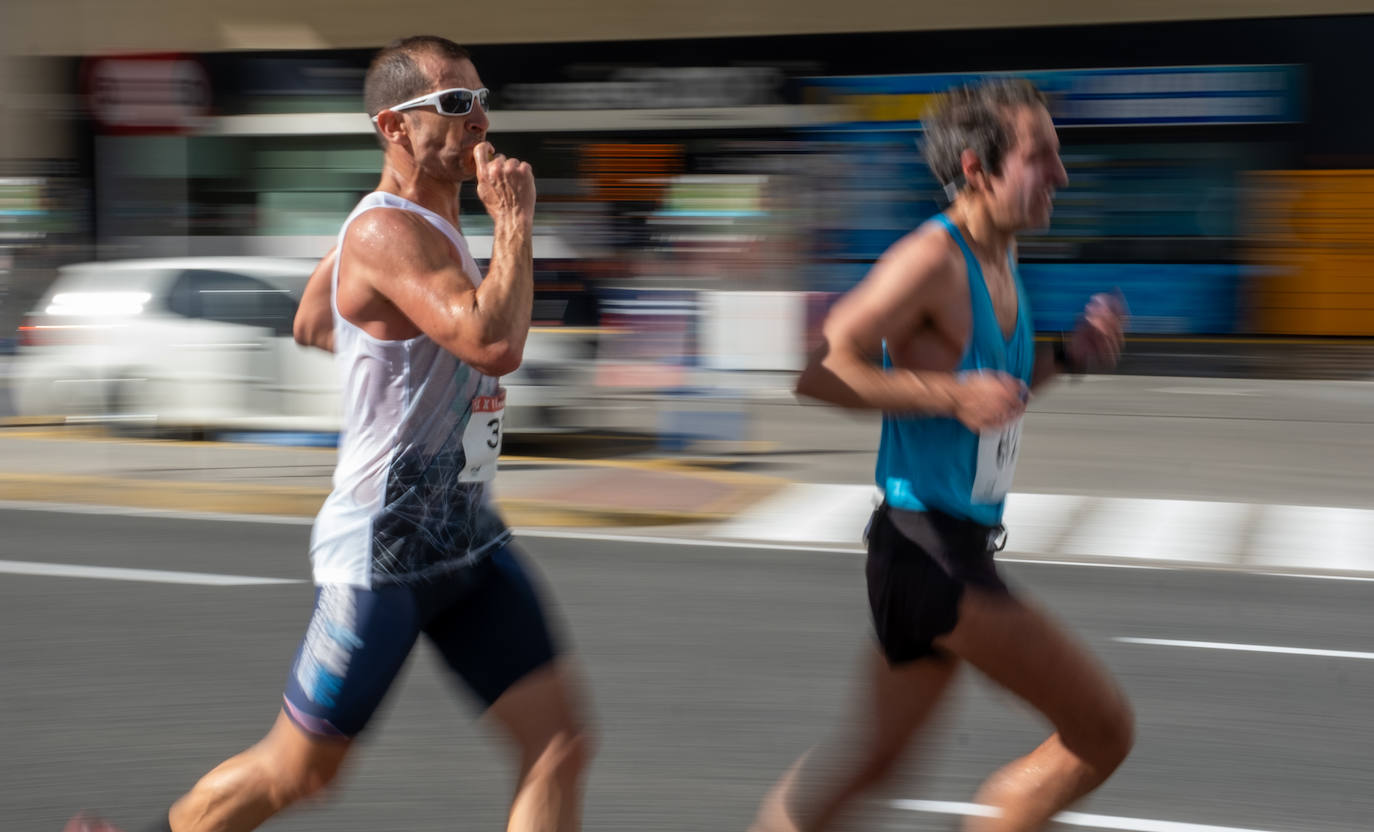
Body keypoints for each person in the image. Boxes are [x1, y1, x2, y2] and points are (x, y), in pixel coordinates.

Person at [67, 34, 593, 832]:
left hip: (467, 537)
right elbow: (495, 344)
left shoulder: (402, 232)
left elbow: (314, 319)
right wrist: (514, 222)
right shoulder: (389, 232)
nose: (478, 118)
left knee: (561, 743)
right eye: (454, 104)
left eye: (482, 98)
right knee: (300, 773)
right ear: (395, 128)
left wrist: (375, 314)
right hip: (382, 549)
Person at [751, 78, 1132, 832]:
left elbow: (997, 393)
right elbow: (819, 371)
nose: (1061, 172)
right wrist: (949, 396)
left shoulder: (1001, 257)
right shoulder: (932, 257)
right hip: (929, 552)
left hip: (932, 547)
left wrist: (1067, 358)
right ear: (978, 169)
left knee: (873, 764)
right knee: (1101, 732)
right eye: (1041, 155)